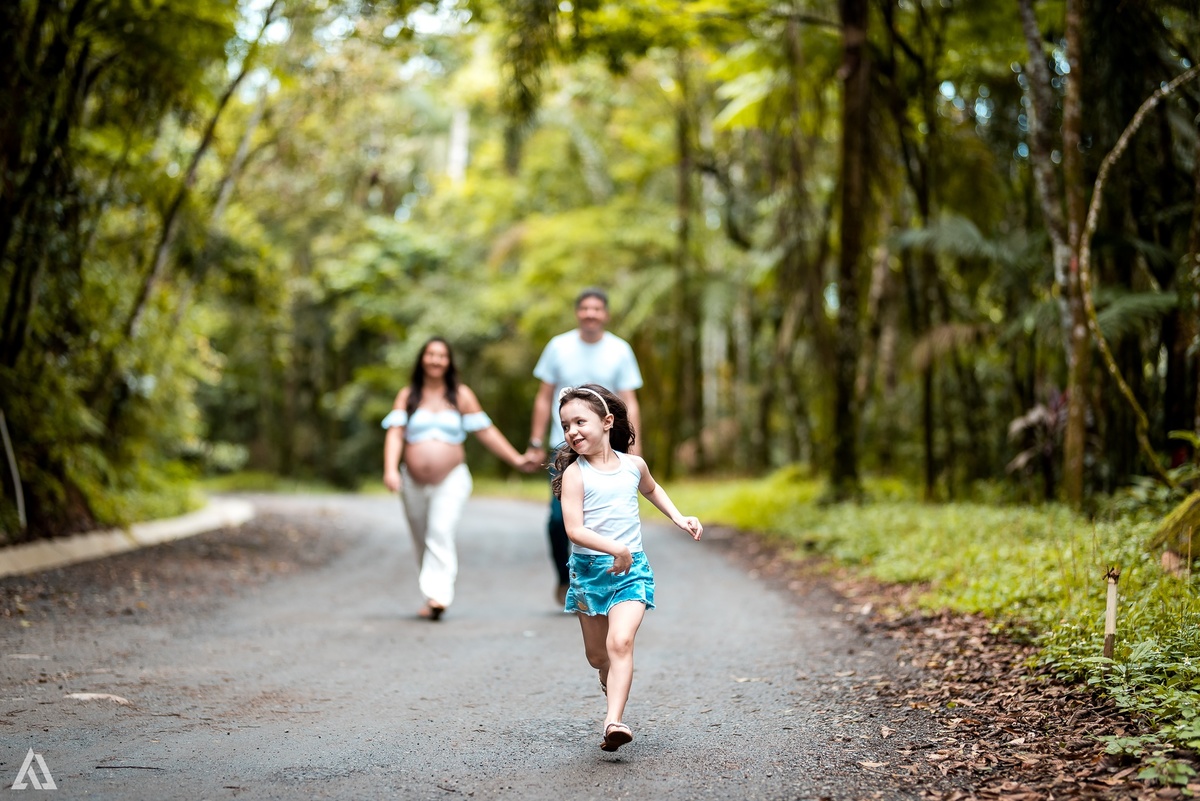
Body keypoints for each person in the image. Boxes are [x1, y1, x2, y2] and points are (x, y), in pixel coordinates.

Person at [552, 383, 702, 752]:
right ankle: (609, 682)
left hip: (631, 571)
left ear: (606, 422)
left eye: (580, 422)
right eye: (566, 426)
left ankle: (613, 721)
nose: (572, 432)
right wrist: (613, 547)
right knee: (598, 656)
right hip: (589, 574)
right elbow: (575, 530)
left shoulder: (634, 466)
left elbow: (652, 489)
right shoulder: (576, 474)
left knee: (620, 642)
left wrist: (679, 517)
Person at [382, 336, 532, 621]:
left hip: (451, 478)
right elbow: (395, 433)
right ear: (422, 359)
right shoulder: (408, 395)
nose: (436, 360)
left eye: (442, 355)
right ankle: (431, 595)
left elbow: (485, 431)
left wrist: (515, 459)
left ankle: (439, 595)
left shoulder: (461, 395)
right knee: (420, 536)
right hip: (412, 481)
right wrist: (390, 469)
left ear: (449, 362)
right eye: (430, 354)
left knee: (439, 531)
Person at [525, 289, 643, 606]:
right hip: (563, 445)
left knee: (603, 514)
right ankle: (565, 578)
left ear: (605, 314)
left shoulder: (620, 349)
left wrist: (634, 447)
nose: (590, 313)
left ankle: (609, 580)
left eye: (597, 309)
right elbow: (543, 396)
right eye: (585, 308)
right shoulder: (558, 346)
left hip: (608, 445)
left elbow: (629, 400)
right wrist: (535, 443)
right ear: (578, 312)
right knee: (556, 519)